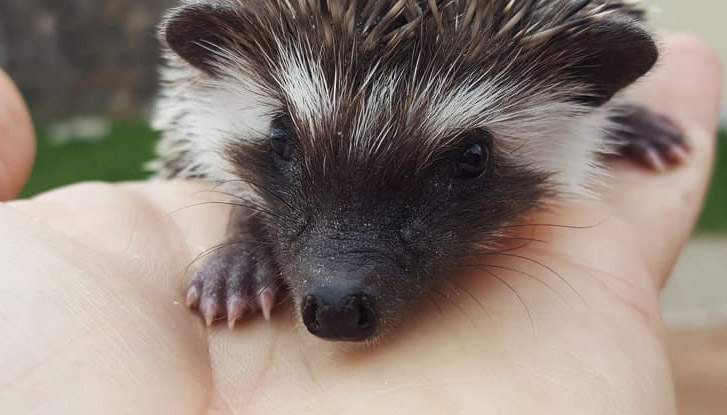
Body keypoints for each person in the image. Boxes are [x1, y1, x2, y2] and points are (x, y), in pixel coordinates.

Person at [0, 33, 721, 414]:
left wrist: (601, 123)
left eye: (465, 160)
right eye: (285, 143)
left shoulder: (566, 112)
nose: (334, 283)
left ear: (584, 99)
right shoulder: (229, 133)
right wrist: (245, 238)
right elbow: (222, 173)